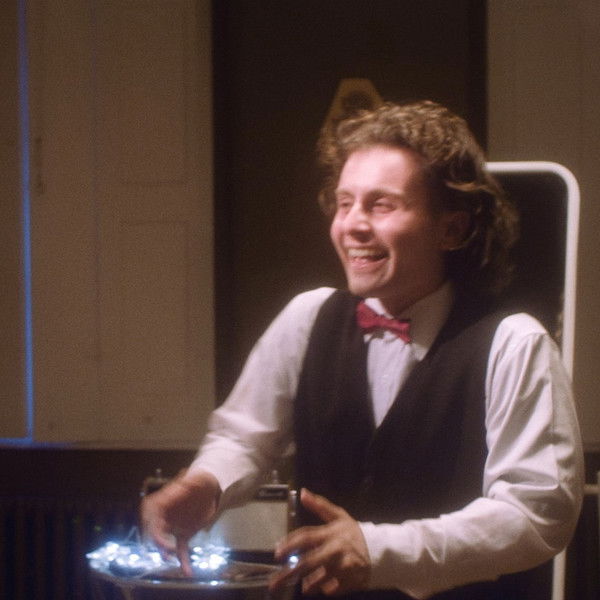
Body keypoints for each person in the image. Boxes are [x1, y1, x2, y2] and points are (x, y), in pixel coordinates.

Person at [141, 101, 583, 599]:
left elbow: (537, 513)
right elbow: (244, 438)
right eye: (345, 202)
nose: (351, 224)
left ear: (452, 229)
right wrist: (207, 483)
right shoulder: (307, 317)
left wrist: (381, 550)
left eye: (381, 205)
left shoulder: (514, 343)